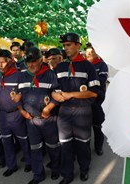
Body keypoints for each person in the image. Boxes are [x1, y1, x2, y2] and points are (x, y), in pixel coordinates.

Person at [53, 32, 100, 184]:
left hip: (82, 112)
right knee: (65, 145)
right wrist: (56, 95)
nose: (65, 48)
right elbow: (52, 89)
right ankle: (67, 175)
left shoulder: (88, 67)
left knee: (83, 144)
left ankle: (84, 169)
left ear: (78, 46)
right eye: (64, 45)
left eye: (69, 45)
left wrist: (69, 95)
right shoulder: (60, 67)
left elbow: (94, 92)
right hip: (64, 113)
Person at [17, 47, 61, 184]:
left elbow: (57, 95)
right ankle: (38, 175)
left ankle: (56, 169)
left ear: (41, 60)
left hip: (48, 119)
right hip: (31, 121)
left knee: (52, 146)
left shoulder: (50, 74)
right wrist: (21, 110)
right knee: (35, 148)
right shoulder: (23, 76)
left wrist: (48, 108)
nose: (31, 65)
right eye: (28, 62)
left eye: (34, 61)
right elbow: (18, 96)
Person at [0, 49, 31, 177]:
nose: (0, 65)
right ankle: (11, 166)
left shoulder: (19, 75)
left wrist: (20, 95)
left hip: (16, 114)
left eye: (2, 62)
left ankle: (29, 162)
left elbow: (26, 91)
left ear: (10, 61)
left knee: (23, 140)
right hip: (2, 114)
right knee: (6, 142)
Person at [85, 43, 109, 156]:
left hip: (97, 100)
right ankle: (85, 148)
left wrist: (88, 81)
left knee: (97, 125)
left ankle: (98, 146)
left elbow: (102, 80)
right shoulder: (83, 65)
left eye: (91, 52)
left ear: (96, 53)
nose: (89, 54)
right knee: (84, 126)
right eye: (87, 53)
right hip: (85, 100)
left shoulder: (102, 65)